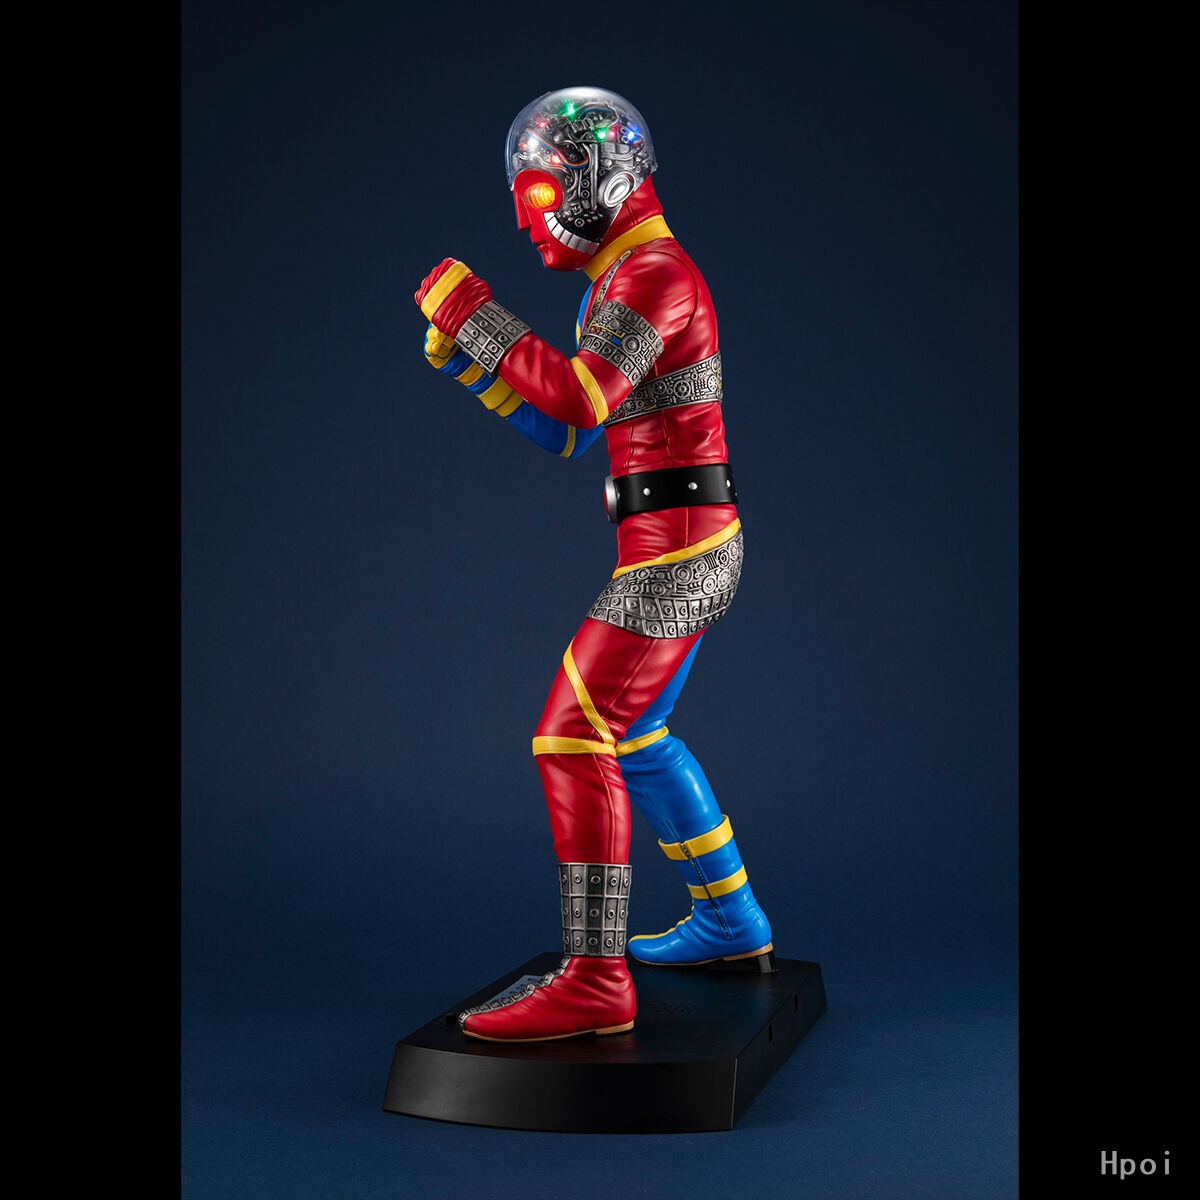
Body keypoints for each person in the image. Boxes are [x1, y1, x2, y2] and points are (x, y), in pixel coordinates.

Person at [415, 86, 772, 1043]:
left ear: (597, 181)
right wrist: (474, 367)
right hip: (679, 541)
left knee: (573, 736)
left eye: (536, 195)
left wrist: (478, 315)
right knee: (638, 735)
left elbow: (578, 399)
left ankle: (595, 978)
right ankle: (732, 922)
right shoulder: (619, 281)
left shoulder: (654, 275)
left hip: (681, 552)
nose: (524, 221)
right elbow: (568, 433)